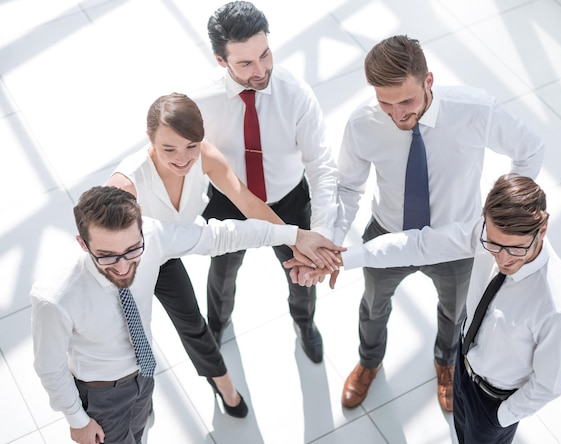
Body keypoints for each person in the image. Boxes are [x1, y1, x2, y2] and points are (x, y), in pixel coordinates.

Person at [330, 35, 545, 411]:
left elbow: (530, 149)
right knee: (373, 305)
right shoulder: (363, 124)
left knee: (454, 311)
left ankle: (446, 363)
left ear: (428, 81)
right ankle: (369, 361)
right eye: (385, 102)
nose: (397, 114)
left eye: (406, 101)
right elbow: (348, 187)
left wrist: (505, 218)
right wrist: (331, 240)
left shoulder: (475, 111)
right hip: (387, 232)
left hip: (456, 241)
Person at [289, 174, 561, 443]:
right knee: (458, 434)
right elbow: (419, 245)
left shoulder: (558, 308)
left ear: (543, 228)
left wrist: (500, 417)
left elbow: (549, 384)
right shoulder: (485, 234)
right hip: (462, 366)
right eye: (494, 245)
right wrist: (340, 259)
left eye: (516, 248)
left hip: (496, 402)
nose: (502, 259)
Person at [31, 186, 338, 444]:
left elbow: (220, 236)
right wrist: (78, 420)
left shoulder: (152, 235)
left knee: (138, 433)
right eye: (108, 256)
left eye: (133, 250)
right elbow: (50, 368)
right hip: (101, 393)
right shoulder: (55, 299)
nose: (123, 266)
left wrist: (293, 236)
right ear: (83, 244)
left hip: (144, 372)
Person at [107, 92, 335, 416]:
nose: (183, 158)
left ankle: (223, 384)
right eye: (168, 148)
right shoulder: (125, 185)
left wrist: (299, 242)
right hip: (129, 265)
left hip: (168, 255)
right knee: (132, 331)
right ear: (150, 139)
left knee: (191, 323)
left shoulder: (206, 157)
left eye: (191, 145)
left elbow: (250, 205)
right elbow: (100, 244)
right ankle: (138, 395)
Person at [193, 1, 339, 363]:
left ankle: (305, 323)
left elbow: (321, 165)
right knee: (222, 274)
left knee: (302, 273)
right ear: (220, 60)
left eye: (265, 54)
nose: (261, 70)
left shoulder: (296, 94)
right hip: (229, 200)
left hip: (288, 200)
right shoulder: (200, 101)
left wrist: (320, 232)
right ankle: (217, 325)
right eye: (245, 63)